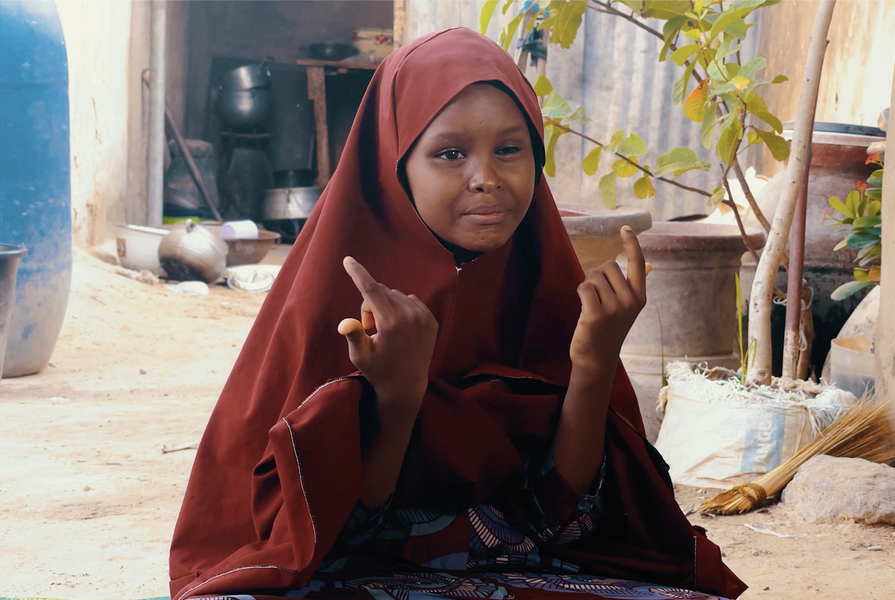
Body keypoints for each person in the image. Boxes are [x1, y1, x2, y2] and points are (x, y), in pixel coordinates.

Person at [169, 28, 745, 600]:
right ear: (395, 163)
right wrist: (396, 397)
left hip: (528, 570)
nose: (487, 177)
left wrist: (593, 362)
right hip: (355, 577)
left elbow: (563, 523)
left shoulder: (549, 289)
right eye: (450, 153)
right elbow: (324, 541)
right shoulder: (333, 301)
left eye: (510, 149)